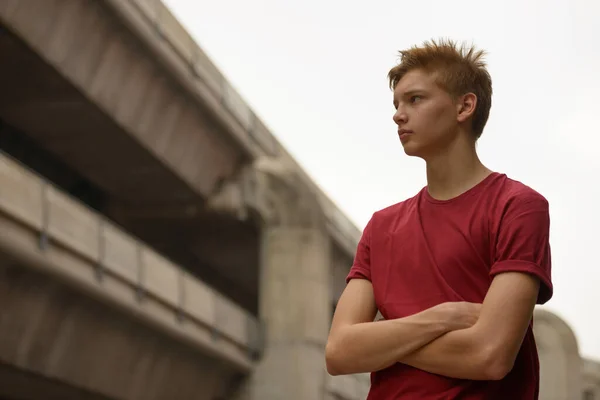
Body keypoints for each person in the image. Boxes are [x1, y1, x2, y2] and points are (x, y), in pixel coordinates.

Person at [325, 39, 552, 399]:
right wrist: (444, 318)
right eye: (396, 103)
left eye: (415, 99)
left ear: (464, 106)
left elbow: (489, 355)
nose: (399, 114)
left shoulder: (518, 206)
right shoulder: (381, 226)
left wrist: (382, 344)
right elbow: (338, 352)